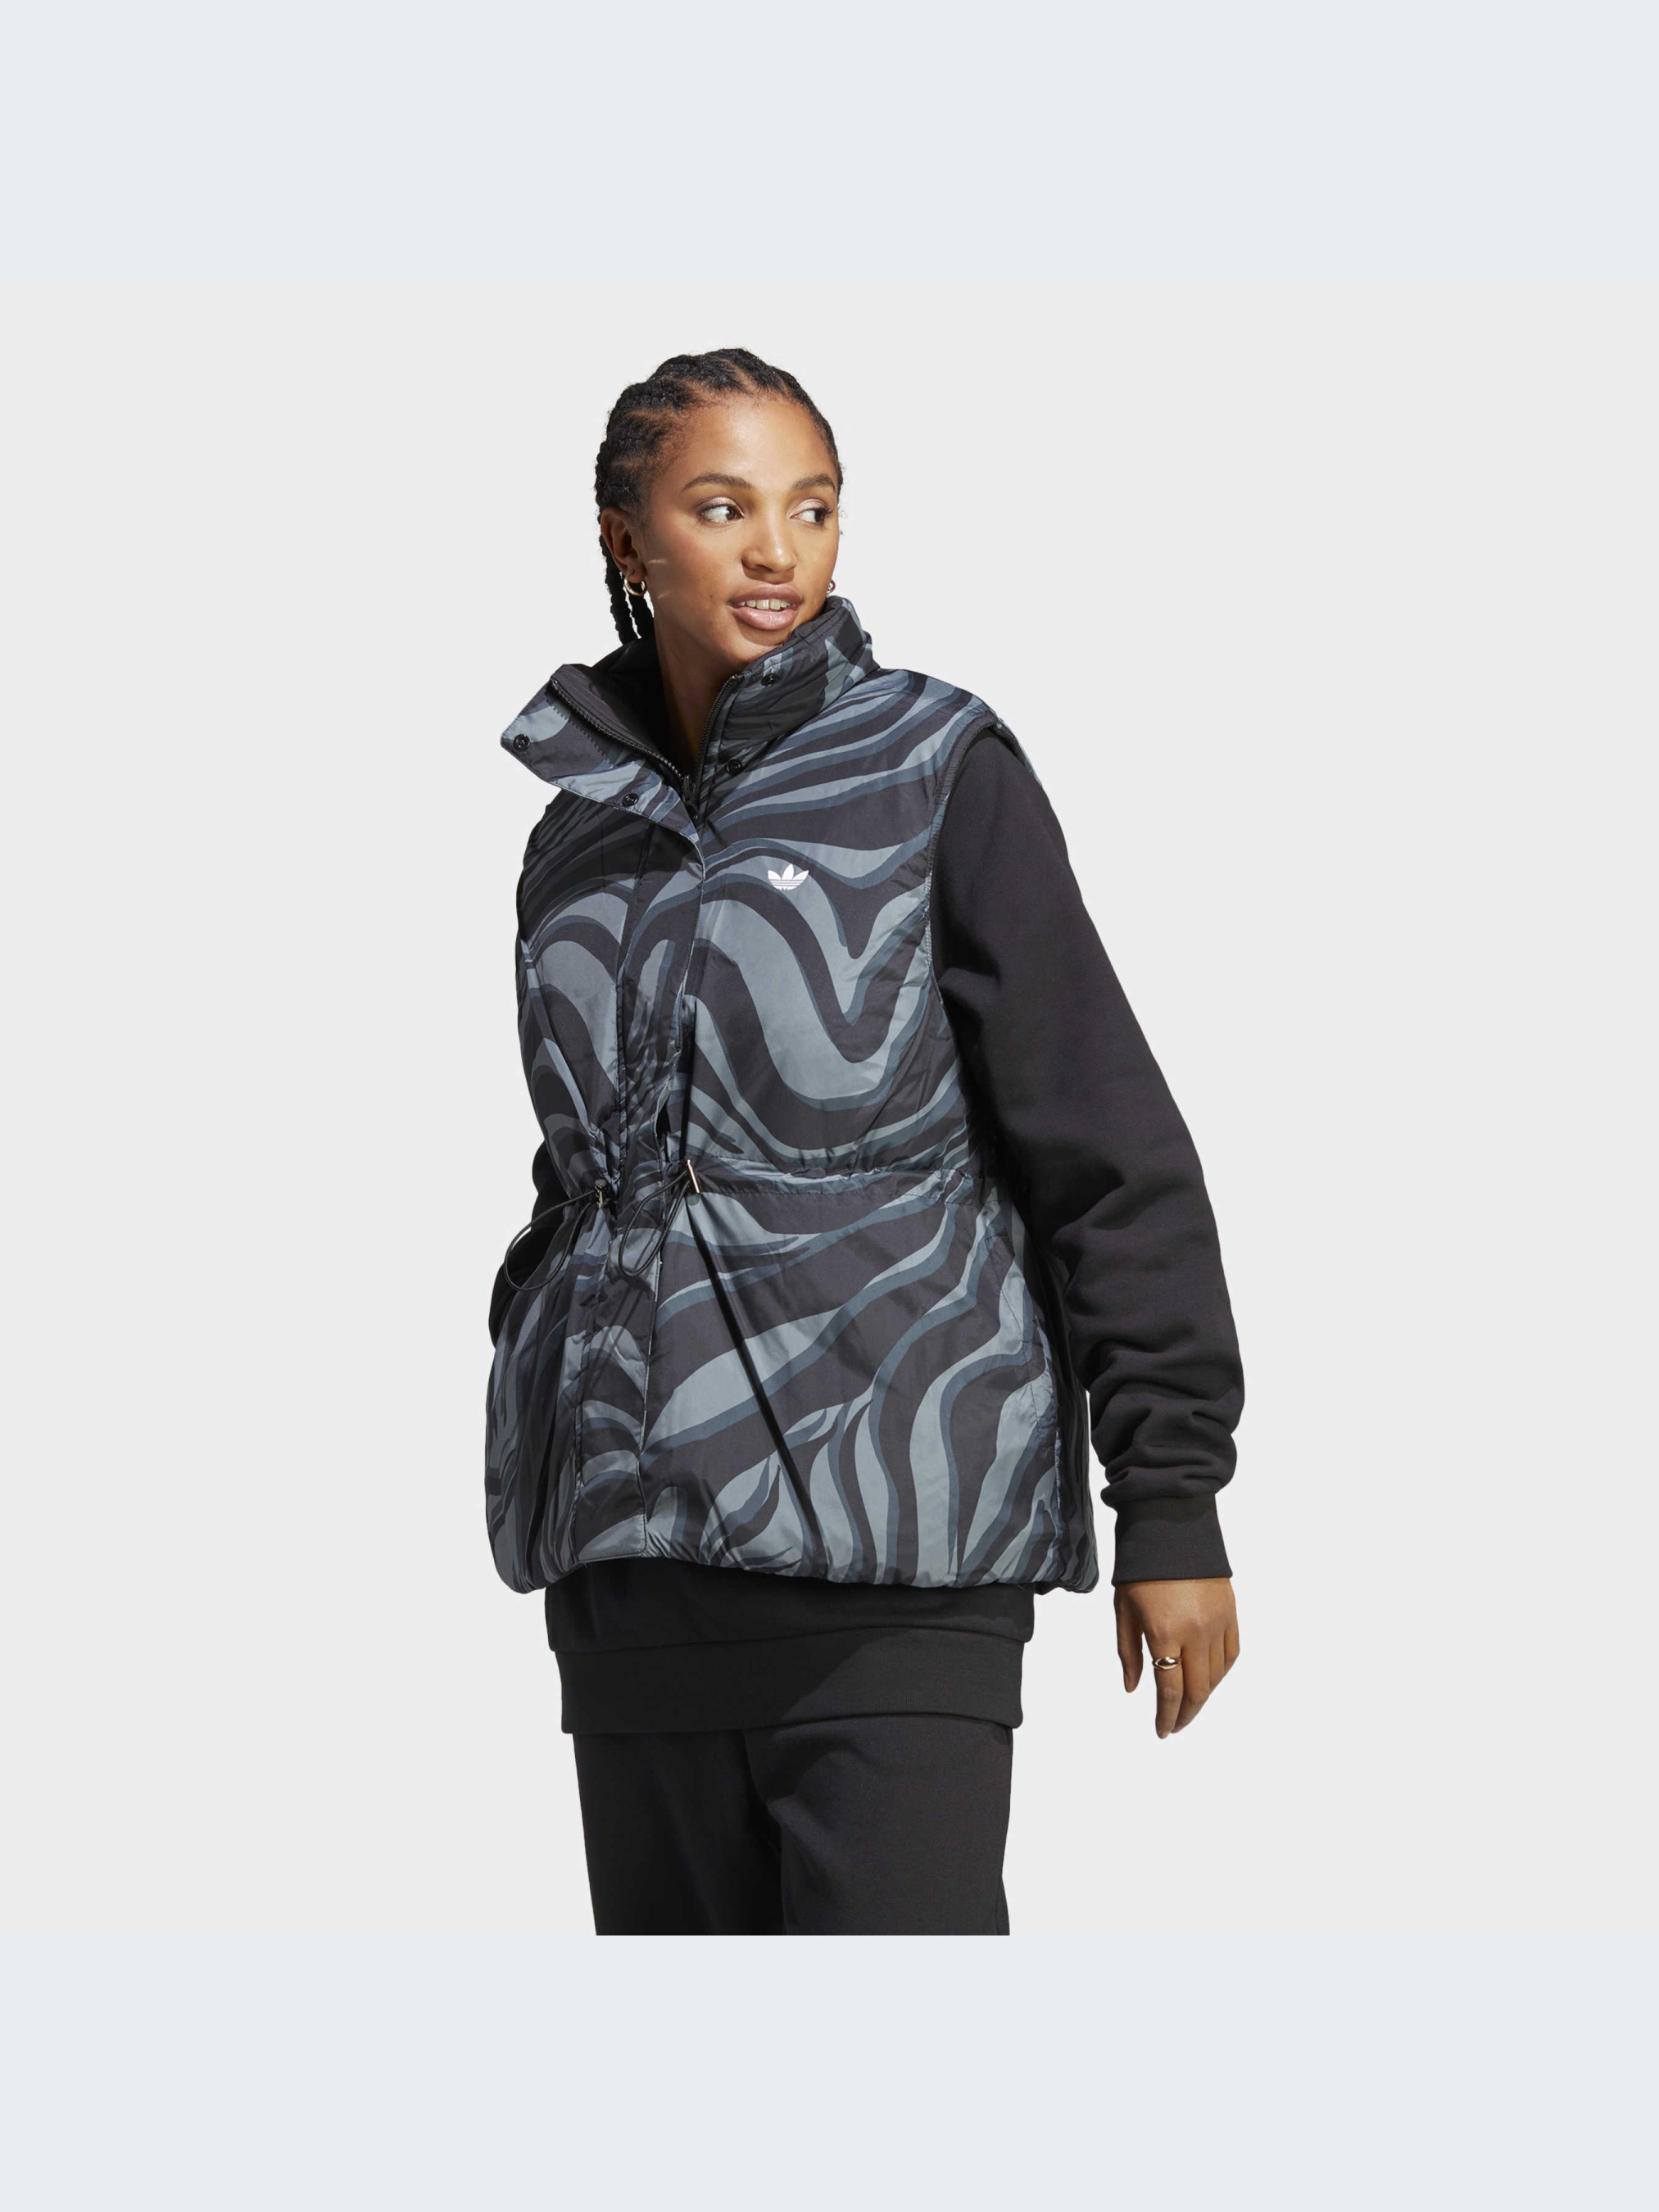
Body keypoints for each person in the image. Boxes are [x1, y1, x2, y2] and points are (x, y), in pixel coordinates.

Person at [486, 348, 1244, 1935]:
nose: (776, 550)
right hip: (628, 1585)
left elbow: (1100, 1141)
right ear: (624, 538)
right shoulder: (573, 839)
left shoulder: (930, 769)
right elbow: (579, 1187)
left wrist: (1167, 1500)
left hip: (893, 1556)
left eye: (811, 508)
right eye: (721, 508)